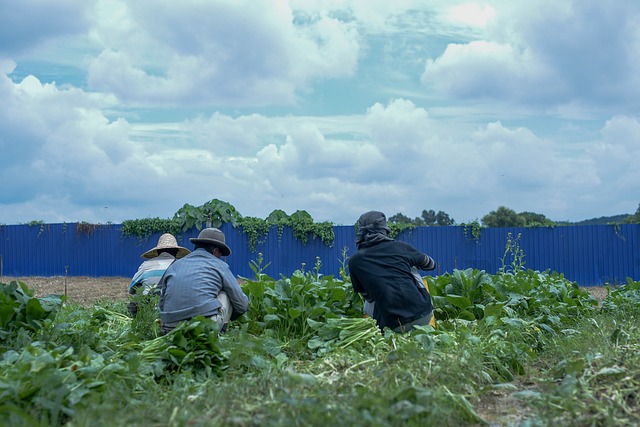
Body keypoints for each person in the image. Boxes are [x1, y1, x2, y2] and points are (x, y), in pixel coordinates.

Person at [348, 210, 436, 333]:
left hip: (392, 326)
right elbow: (431, 265)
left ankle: (380, 329)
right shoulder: (400, 247)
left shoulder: (354, 261)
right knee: (411, 267)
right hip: (423, 315)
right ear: (384, 229)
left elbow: (366, 295)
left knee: (370, 296)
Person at [158, 227, 249, 334]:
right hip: (202, 328)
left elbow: (162, 302)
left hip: (169, 327)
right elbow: (242, 304)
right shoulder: (220, 266)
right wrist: (230, 316)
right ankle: (218, 336)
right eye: (220, 254)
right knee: (226, 294)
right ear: (215, 251)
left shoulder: (175, 265)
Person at [128, 233, 190, 316]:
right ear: (176, 252)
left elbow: (132, 289)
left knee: (139, 288)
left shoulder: (145, 266)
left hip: (148, 313)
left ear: (157, 251)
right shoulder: (183, 267)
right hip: (174, 312)